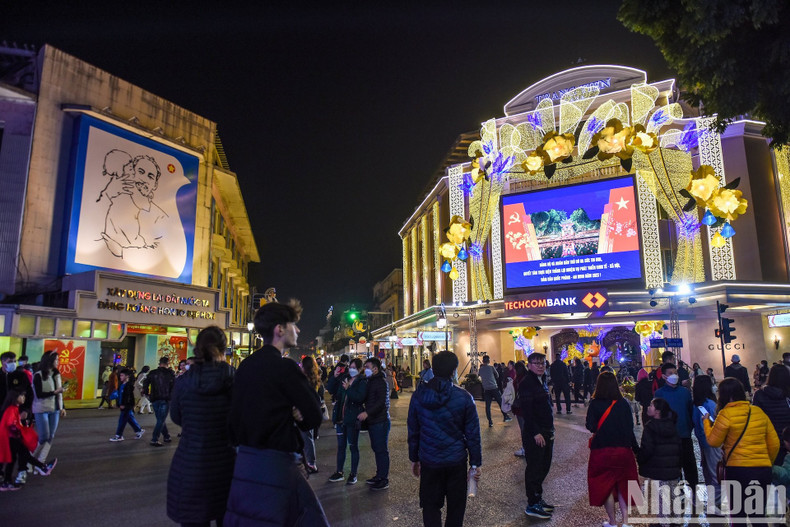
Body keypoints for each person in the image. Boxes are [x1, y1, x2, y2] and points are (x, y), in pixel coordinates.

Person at [224, 301, 328, 526]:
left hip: (246, 464)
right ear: (279, 329)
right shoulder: (285, 367)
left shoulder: (246, 366)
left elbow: (233, 417)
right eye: (293, 324)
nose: (297, 330)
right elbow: (314, 414)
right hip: (277, 464)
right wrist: (297, 416)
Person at [167, 326, 235, 527]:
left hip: (189, 464)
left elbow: (177, 417)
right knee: (229, 517)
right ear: (223, 349)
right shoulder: (231, 377)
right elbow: (240, 417)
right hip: (226, 464)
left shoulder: (184, 381)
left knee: (194, 518)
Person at [408, 351, 482, 527]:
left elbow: (413, 431)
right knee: (456, 508)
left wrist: (414, 458)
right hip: (456, 461)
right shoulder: (464, 397)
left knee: (430, 506)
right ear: (454, 371)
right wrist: (475, 463)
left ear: (433, 369)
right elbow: (473, 434)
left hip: (429, 460)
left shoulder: (418, 396)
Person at [703, 377, 779, 526]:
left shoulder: (725, 414)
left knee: (738, 514)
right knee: (758, 514)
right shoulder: (758, 411)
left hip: (737, 471)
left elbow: (713, 441)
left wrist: (706, 422)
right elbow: (774, 443)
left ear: (724, 396)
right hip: (762, 470)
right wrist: (766, 462)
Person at [586, 371, 639, 527]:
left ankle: (612, 522)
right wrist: (636, 449)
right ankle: (626, 521)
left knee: (606, 486)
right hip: (623, 450)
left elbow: (590, 426)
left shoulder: (595, 404)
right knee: (624, 485)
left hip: (601, 451)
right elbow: (630, 428)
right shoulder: (623, 404)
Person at [518, 352, 555, 519]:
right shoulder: (527, 383)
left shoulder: (541, 380)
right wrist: (535, 432)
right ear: (529, 365)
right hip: (536, 433)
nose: (540, 365)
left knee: (544, 466)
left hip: (546, 430)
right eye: (536, 363)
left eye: (543, 363)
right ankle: (532, 503)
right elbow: (527, 411)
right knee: (534, 467)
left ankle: (538, 499)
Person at [638, 398, 682, 525]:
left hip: (658, 469)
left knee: (662, 498)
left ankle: (664, 523)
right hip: (672, 469)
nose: (648, 407)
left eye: (651, 405)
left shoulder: (650, 427)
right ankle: (676, 521)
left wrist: (640, 459)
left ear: (657, 411)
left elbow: (647, 449)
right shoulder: (672, 425)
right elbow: (679, 447)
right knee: (673, 496)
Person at [1, 390, 56, 490]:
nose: (23, 397)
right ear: (14, 397)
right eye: (21, 395)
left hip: (10, 438)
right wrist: (20, 435)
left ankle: (6, 482)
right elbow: (11, 425)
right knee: (23, 454)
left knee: (13, 459)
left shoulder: (13, 408)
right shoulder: (11, 409)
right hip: (11, 438)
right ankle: (43, 467)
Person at [654, 365, 698, 489]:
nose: (674, 375)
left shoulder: (685, 392)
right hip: (669, 438)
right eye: (670, 373)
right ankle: (679, 495)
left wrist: (689, 427)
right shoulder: (659, 393)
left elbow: (690, 411)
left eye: (675, 372)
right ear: (664, 376)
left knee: (690, 466)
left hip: (684, 435)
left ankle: (694, 492)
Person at [357, 357, 391, 490]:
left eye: (367, 367)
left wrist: (367, 413)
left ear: (375, 369)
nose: (365, 370)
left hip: (380, 421)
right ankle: (379, 475)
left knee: (381, 450)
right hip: (374, 421)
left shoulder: (381, 382)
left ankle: (384, 479)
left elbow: (380, 402)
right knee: (377, 449)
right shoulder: (371, 381)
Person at [328, 358, 363, 485]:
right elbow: (330, 389)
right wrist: (334, 376)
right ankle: (339, 472)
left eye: (354, 367)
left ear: (359, 370)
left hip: (352, 419)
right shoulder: (344, 378)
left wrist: (348, 388)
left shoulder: (362, 381)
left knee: (353, 446)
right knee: (341, 447)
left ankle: (353, 474)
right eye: (350, 367)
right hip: (340, 419)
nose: (351, 369)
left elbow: (359, 398)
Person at [31, 351, 64, 478]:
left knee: (51, 436)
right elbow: (39, 395)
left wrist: (62, 407)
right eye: (56, 360)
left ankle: (40, 463)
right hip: (41, 408)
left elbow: (60, 392)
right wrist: (55, 391)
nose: (58, 362)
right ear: (49, 361)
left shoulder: (56, 374)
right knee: (44, 436)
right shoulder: (38, 375)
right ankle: (30, 459)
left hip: (55, 408)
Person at [691, 374, 722, 507]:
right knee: (715, 473)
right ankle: (716, 502)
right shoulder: (709, 404)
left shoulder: (697, 404)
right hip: (712, 442)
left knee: (708, 472)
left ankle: (712, 500)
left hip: (704, 442)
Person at [752, 364, 790, 465]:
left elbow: (755, 420)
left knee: (773, 473)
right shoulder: (787, 395)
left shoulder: (760, 395)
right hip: (788, 440)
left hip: (769, 441)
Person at [143, 356, 175, 446]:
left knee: (160, 419)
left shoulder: (153, 373)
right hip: (165, 398)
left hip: (154, 398)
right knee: (161, 419)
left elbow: (145, 383)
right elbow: (174, 386)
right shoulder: (170, 373)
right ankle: (154, 438)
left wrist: (146, 393)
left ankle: (166, 436)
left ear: (159, 363)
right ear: (168, 364)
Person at [299, 355, 324, 474]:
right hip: (312, 409)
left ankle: (311, 463)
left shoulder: (304, 379)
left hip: (305, 409)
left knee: (307, 437)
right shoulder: (315, 377)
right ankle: (310, 462)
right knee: (309, 437)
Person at [109, 369, 144, 442]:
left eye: (122, 375)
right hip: (125, 406)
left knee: (122, 421)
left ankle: (119, 435)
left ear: (127, 376)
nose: (120, 377)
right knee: (130, 419)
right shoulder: (122, 385)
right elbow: (120, 395)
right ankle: (138, 430)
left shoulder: (128, 386)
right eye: (120, 375)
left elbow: (128, 397)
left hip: (126, 406)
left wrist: (124, 405)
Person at [479, 355, 509, 427]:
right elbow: (497, 375)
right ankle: (505, 416)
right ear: (489, 361)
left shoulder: (480, 369)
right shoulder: (491, 367)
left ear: (483, 361)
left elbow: (479, 375)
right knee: (500, 402)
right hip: (494, 387)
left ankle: (490, 421)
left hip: (486, 389)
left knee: (488, 406)